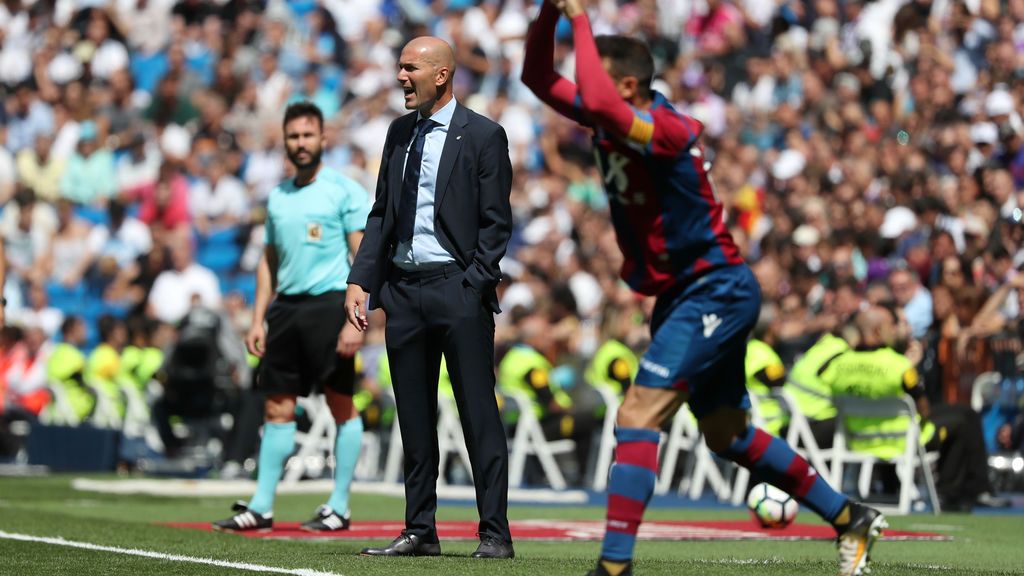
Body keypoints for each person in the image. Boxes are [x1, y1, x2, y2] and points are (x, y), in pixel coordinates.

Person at [522, 3, 884, 575]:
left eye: (597, 75)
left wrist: (582, 20)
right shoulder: (613, 117)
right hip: (683, 294)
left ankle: (614, 567)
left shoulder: (665, 129)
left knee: (638, 413)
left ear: (628, 86)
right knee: (726, 433)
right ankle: (849, 516)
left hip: (715, 289)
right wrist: (550, 13)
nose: (586, 84)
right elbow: (537, 77)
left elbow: (597, 101)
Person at [345, 36, 514, 559]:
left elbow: (496, 222)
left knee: (478, 415)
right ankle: (420, 530)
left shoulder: (484, 135)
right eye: (399, 67)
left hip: (457, 290)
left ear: (441, 75)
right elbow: (381, 213)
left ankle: (495, 534)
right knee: (414, 420)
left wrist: (473, 284)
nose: (400, 77)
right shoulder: (399, 133)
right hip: (403, 292)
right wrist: (361, 279)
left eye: (409, 68)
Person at [212, 102, 369, 533]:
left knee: (340, 403)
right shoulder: (278, 196)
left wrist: (355, 321)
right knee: (276, 406)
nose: (301, 143)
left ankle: (340, 506)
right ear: (284, 141)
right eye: (294, 136)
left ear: (323, 138)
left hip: (330, 305)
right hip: (286, 310)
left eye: (307, 135)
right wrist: (258, 318)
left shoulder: (343, 190)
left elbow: (363, 257)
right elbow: (268, 261)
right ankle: (261, 506)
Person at [821, 305, 1009, 511]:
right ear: (878, 331)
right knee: (964, 420)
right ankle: (955, 493)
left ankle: (920, 489)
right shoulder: (898, 365)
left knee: (960, 413)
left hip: (856, 439)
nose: (895, 330)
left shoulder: (838, 364)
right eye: (891, 326)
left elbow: (828, 392)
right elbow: (923, 409)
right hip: (900, 441)